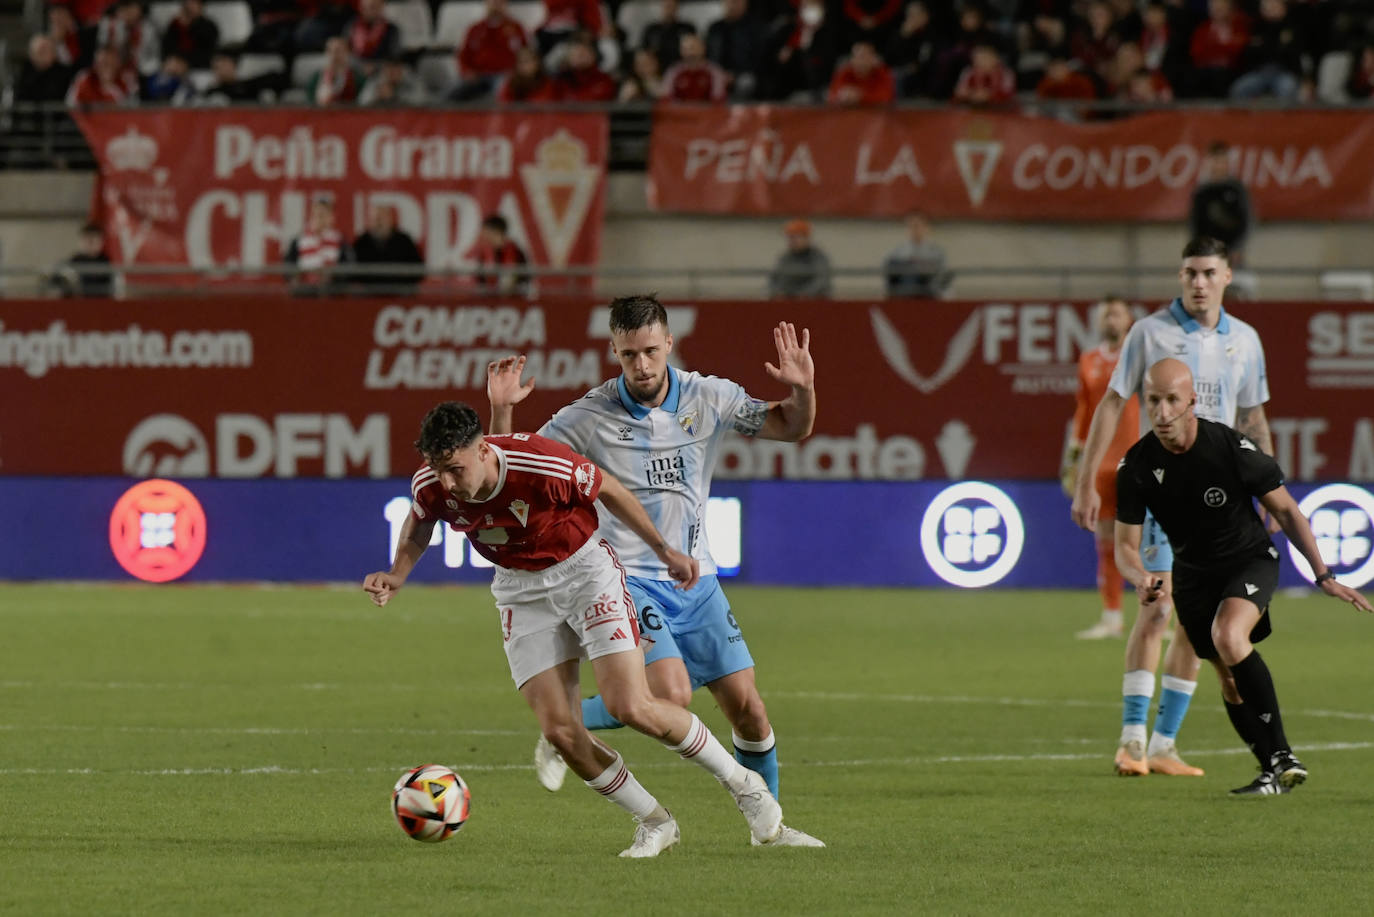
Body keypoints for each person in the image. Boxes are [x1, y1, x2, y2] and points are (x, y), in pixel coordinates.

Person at [363, 401, 787, 856]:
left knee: (632, 705)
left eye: (454, 468)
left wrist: (664, 551)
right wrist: (397, 573)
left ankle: (745, 785)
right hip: (520, 592)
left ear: (483, 450)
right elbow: (419, 525)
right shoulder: (431, 485)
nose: (447, 482)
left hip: (585, 573)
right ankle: (655, 822)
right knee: (562, 732)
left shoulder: (542, 463)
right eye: (437, 469)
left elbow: (611, 491)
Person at [487, 294, 824, 847]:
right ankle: (569, 727)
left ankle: (770, 829)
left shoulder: (709, 397)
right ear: (613, 353)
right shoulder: (587, 417)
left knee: (750, 712)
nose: (641, 366)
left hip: (698, 577)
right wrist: (502, 412)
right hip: (626, 577)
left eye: (649, 351)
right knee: (669, 691)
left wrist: (803, 390)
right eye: (627, 356)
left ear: (669, 343)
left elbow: (791, 427)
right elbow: (515, 462)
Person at [1115, 358, 1372, 795]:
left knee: (1229, 636)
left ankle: (1285, 754)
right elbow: (1124, 545)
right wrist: (1139, 576)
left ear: (1191, 401)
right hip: (1193, 575)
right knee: (1229, 680)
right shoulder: (1137, 466)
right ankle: (1272, 768)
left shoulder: (1227, 447)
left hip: (1248, 559)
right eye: (1153, 401)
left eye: (1171, 400)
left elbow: (1287, 510)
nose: (1161, 413)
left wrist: (1323, 574)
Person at [1071, 236, 1272, 778]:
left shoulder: (1246, 341)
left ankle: (1163, 746)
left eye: (1208, 272)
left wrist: (1269, 490)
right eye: (1189, 273)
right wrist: (1088, 479)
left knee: (1196, 626)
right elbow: (1113, 403)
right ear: (1180, 277)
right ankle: (1131, 741)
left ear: (1227, 275)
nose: (1198, 283)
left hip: (1223, 500)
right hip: (1165, 488)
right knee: (1157, 607)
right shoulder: (1150, 332)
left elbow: (1252, 418)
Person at [1061, 296, 1136, 640]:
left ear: (1129, 319)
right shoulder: (1088, 360)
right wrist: (1075, 458)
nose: (1111, 318)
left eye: (1117, 312)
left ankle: (1161, 613)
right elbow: (1083, 411)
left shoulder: (1140, 357)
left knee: (1149, 540)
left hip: (1136, 461)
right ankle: (1111, 616)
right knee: (1106, 539)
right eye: (1106, 313)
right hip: (1102, 463)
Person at [1189, 141, 1253, 266]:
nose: (1219, 166)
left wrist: (1238, 249)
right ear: (1209, 162)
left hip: (1233, 255)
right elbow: (1195, 224)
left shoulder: (1237, 189)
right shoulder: (1201, 192)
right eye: (1215, 161)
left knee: (1239, 283)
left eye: (1222, 161)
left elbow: (1246, 221)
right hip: (1207, 253)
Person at [285, 193, 352, 293]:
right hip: (305, 294)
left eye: (323, 215)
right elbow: (288, 268)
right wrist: (296, 277)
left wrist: (333, 278)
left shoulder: (340, 241)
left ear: (331, 217)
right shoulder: (298, 241)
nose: (319, 219)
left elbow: (348, 269)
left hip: (331, 294)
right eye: (316, 214)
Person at [349, 204, 424, 292]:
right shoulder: (362, 241)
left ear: (390, 219)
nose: (379, 222)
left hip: (400, 294)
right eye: (376, 219)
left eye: (382, 218)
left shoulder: (404, 240)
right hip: (369, 294)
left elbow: (418, 269)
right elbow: (352, 270)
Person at [883, 210, 949, 298]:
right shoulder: (897, 252)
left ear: (926, 227)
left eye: (918, 226)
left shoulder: (936, 252)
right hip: (904, 295)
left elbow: (943, 277)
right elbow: (889, 275)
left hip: (929, 295)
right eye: (911, 226)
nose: (915, 230)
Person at [767, 219, 832, 298]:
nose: (792, 241)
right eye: (790, 237)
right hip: (786, 301)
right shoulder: (785, 258)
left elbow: (822, 282)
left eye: (795, 237)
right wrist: (778, 292)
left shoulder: (818, 257)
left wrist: (803, 295)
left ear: (806, 238)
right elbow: (773, 279)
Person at [472, 214, 531, 297]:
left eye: (485, 230)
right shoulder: (483, 254)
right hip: (490, 302)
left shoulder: (517, 252)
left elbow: (524, 278)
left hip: (513, 302)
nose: (482, 234)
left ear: (495, 231)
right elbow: (480, 280)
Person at [50, 222, 113, 298]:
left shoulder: (108, 264)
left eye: (93, 239)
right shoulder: (72, 262)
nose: (90, 243)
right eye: (86, 239)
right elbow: (55, 283)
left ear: (102, 242)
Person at [660, 32, 728, 102]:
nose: (689, 53)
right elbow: (665, 98)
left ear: (703, 48)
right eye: (685, 49)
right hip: (679, 112)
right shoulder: (673, 71)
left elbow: (718, 100)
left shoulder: (715, 71)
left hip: (706, 112)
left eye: (692, 48)